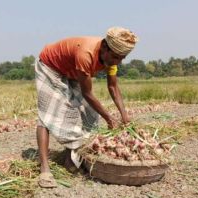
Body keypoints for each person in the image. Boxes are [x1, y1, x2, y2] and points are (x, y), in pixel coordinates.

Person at [35, 27, 138, 188]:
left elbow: (113, 87)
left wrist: (124, 116)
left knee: (89, 115)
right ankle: (45, 170)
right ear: (104, 47)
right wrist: (110, 118)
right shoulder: (86, 53)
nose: (118, 62)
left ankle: (71, 158)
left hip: (72, 71)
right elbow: (88, 93)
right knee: (47, 114)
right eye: (116, 57)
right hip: (51, 67)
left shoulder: (111, 59)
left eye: (122, 58)